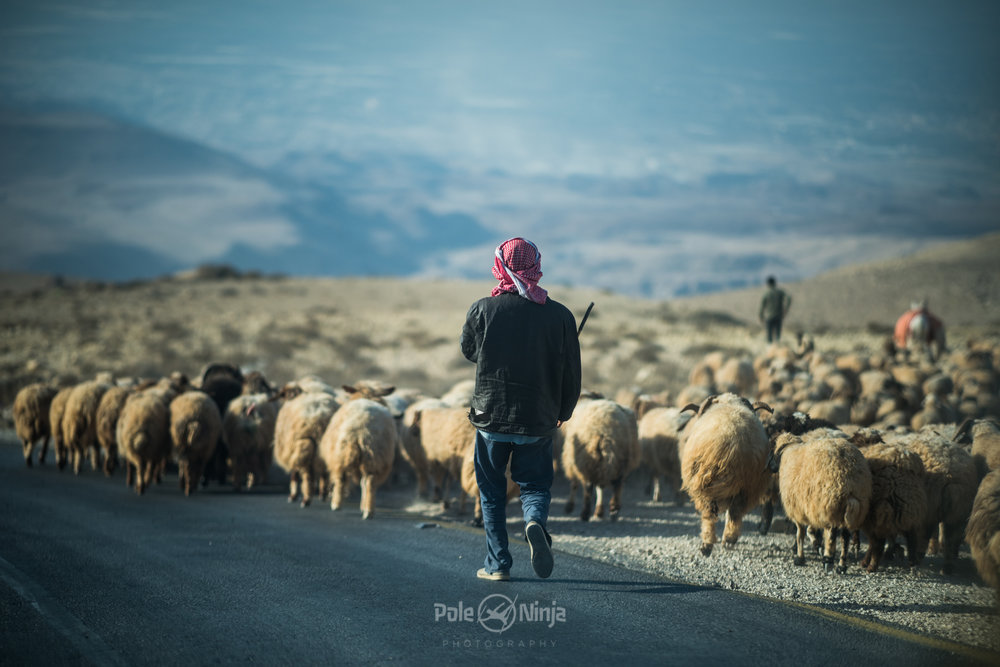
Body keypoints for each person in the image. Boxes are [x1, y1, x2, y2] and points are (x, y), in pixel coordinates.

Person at [460, 237, 582, 581]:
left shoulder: (482, 308)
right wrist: (565, 410)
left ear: (500, 265)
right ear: (535, 265)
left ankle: (497, 565)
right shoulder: (560, 315)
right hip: (538, 418)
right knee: (535, 485)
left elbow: (470, 351)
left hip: (490, 417)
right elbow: (572, 371)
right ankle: (533, 522)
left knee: (492, 491)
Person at [759, 275, 792, 343]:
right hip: (778, 315)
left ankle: (771, 348)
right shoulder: (779, 292)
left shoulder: (766, 293)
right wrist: (786, 309)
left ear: (768, 284)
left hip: (769, 316)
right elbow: (789, 298)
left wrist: (761, 316)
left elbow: (762, 306)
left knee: (769, 335)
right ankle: (777, 346)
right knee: (777, 335)